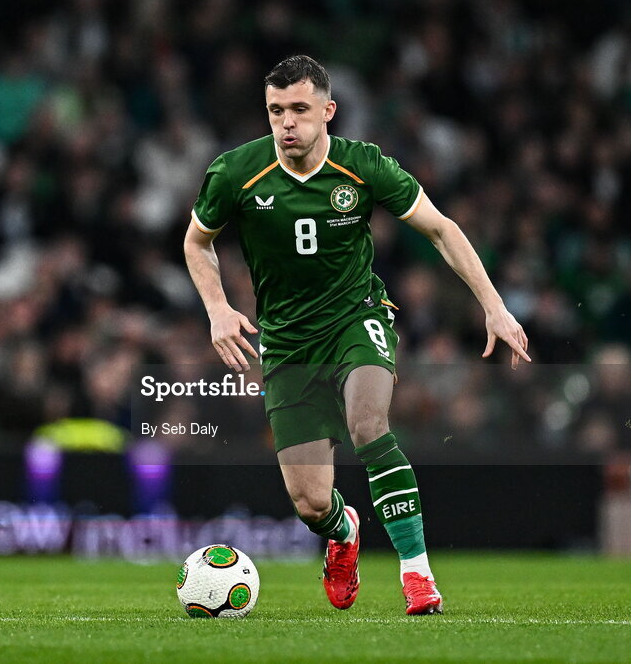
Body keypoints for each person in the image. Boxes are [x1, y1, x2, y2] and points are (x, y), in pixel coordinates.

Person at [183, 55, 530, 615]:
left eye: (299, 109)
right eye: (276, 111)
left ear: (328, 110)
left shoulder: (364, 166)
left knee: (368, 423)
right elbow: (197, 241)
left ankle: (417, 575)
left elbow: (442, 229)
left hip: (356, 316)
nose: (287, 123)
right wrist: (218, 308)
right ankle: (343, 531)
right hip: (287, 342)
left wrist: (493, 306)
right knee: (308, 502)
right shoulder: (235, 172)